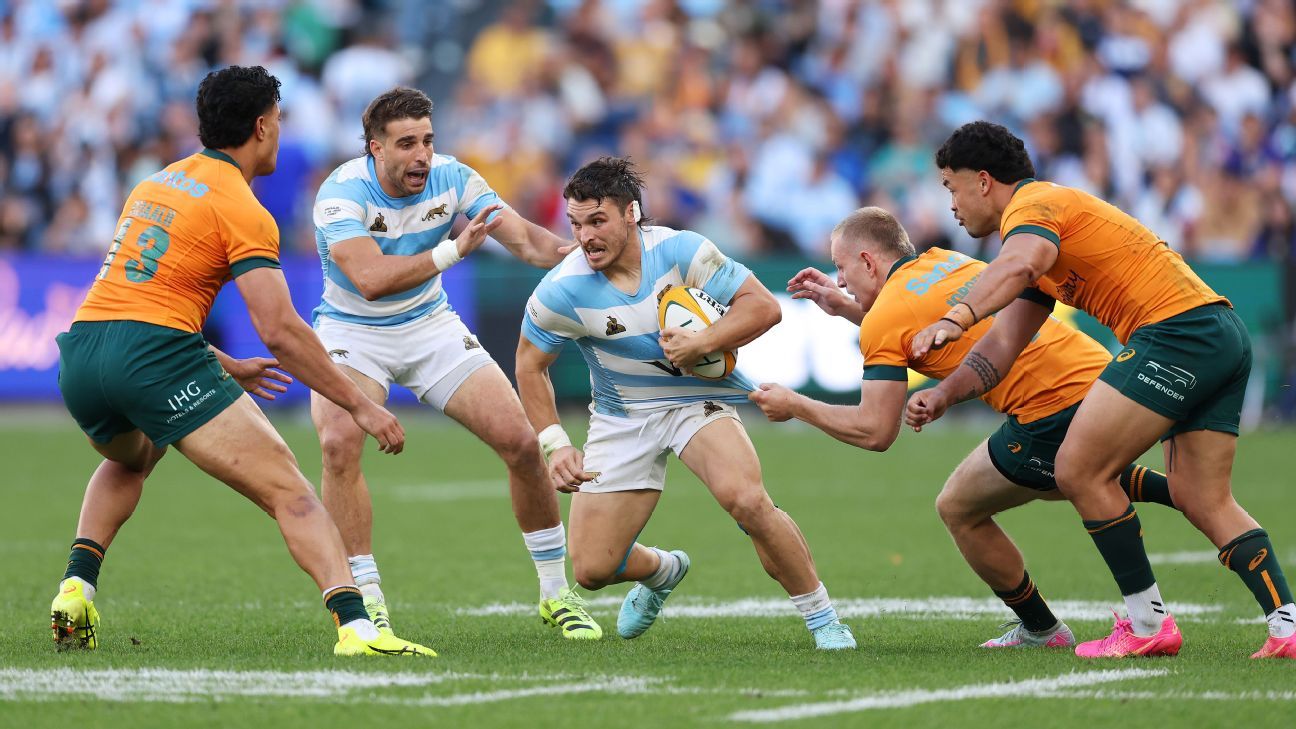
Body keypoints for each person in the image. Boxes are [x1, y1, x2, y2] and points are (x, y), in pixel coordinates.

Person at [50, 66, 434, 657]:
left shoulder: (154, 185)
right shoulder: (244, 209)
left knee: (135, 456)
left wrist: (224, 365)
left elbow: (136, 303)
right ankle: (358, 628)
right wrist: (359, 404)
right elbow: (280, 330)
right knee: (292, 494)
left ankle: (76, 587)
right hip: (155, 358)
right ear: (260, 127)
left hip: (83, 354)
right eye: (278, 121)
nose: (279, 132)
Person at [905, 121, 1295, 659]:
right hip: (1218, 333)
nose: (950, 204)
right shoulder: (1038, 233)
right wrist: (944, 394)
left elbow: (1020, 263)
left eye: (951, 187)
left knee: (1078, 469)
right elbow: (1003, 344)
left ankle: (1147, 624)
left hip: (1175, 334)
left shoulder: (1032, 208)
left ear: (984, 181)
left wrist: (956, 315)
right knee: (1203, 498)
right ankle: (1287, 628)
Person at [749, 206, 1178, 649]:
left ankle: (1043, 629)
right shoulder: (945, 261)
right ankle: (1179, 493)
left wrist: (796, 405)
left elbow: (875, 431)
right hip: (1103, 379)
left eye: (841, 268)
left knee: (960, 508)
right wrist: (845, 309)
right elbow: (911, 321)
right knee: (1055, 478)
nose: (839, 281)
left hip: (1051, 407)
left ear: (867, 261)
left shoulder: (886, 318)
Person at [515, 157, 856, 650]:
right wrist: (555, 444)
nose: (585, 236)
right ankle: (663, 570)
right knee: (591, 569)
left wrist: (702, 343)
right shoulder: (561, 290)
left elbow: (764, 307)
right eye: (576, 223)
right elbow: (529, 365)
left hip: (698, 400)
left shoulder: (681, 251)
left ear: (631, 213)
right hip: (623, 415)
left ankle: (823, 619)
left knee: (747, 500)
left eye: (597, 221)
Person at [309, 87, 599, 639]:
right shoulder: (340, 194)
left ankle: (555, 594)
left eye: (427, 140)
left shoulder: (454, 177)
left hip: (429, 327)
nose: (422, 155)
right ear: (375, 148)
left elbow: (529, 243)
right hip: (352, 333)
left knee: (522, 443)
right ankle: (366, 600)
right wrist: (453, 251)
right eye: (406, 144)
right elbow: (369, 280)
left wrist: (591, 252)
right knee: (338, 443)